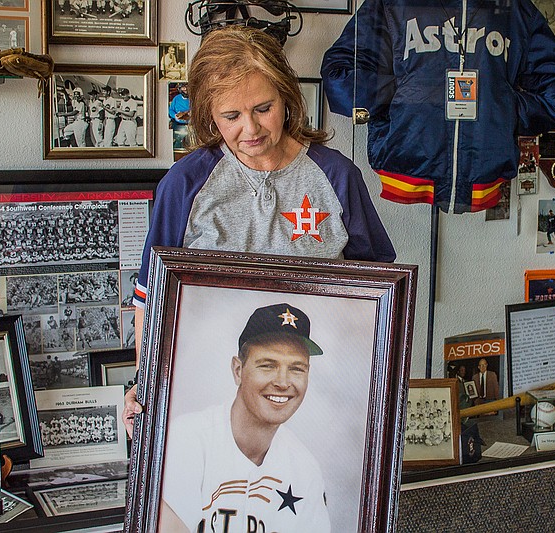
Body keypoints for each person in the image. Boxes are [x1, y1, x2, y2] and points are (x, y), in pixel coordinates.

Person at [123, 26, 395, 436]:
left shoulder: (337, 175)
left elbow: (379, 295)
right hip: (210, 386)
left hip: (319, 387)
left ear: (287, 97)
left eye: (263, 108)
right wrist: (143, 385)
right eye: (231, 116)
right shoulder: (184, 184)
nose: (250, 129)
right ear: (208, 115)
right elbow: (149, 298)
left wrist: (373, 385)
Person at [321, 1, 555, 213]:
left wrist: (502, 108)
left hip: (485, 176)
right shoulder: (392, 4)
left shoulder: (515, 9)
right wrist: (406, 95)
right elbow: (340, 76)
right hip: (404, 168)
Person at [158, 303, 330, 532]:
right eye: (268, 365)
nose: (283, 382)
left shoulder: (305, 469)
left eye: (297, 369)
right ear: (238, 370)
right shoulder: (186, 440)